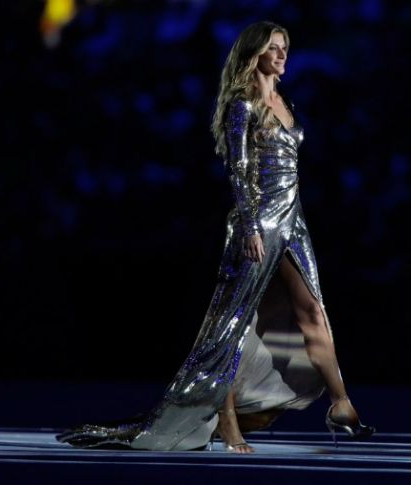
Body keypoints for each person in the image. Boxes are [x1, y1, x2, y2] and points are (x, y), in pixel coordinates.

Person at [56, 20, 374, 453]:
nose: (282, 55)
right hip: (257, 221)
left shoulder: (286, 100)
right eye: (274, 48)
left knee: (313, 311)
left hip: (293, 220)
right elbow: (240, 171)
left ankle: (341, 403)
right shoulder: (243, 105)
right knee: (233, 323)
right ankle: (224, 419)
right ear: (254, 53)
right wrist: (247, 225)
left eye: (285, 48)